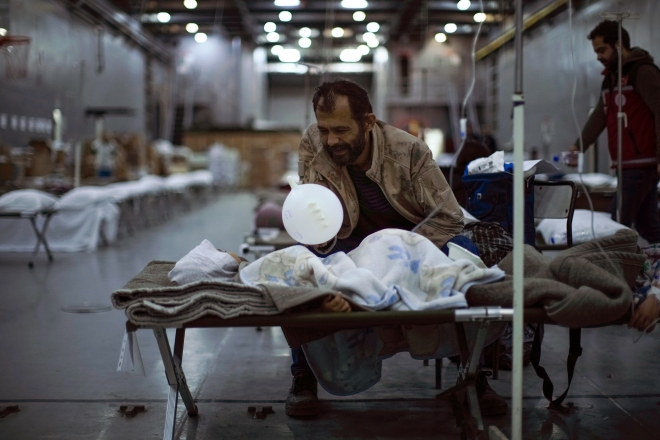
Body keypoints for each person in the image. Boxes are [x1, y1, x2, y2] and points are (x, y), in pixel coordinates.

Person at [286, 78, 507, 418]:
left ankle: (472, 374)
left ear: (369, 122)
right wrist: (316, 237)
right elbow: (316, 211)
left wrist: (402, 251)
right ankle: (303, 375)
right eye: (325, 129)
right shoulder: (313, 143)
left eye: (342, 130)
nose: (331, 140)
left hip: (409, 242)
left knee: (465, 254)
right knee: (299, 266)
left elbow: (449, 218)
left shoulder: (409, 151)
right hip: (350, 243)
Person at [570, 20, 660, 243]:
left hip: (642, 162)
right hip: (626, 163)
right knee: (648, 225)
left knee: (616, 221)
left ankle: (612, 271)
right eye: (596, 51)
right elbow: (600, 116)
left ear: (619, 45)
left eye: (602, 50)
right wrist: (578, 146)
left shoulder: (643, 73)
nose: (598, 56)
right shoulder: (610, 80)